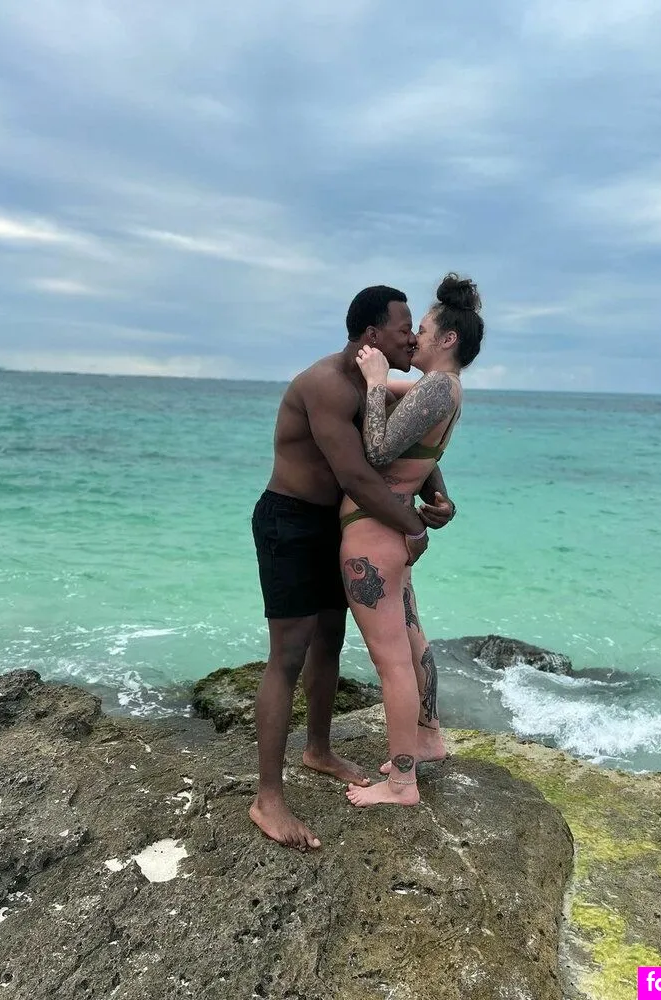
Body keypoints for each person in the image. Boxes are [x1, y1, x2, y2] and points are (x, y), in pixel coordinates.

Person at [250, 285, 457, 850]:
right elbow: (359, 475)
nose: (411, 338)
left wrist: (436, 496)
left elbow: (407, 444)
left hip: (333, 524)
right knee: (288, 655)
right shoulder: (325, 385)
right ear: (371, 334)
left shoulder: (374, 384)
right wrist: (413, 527)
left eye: (415, 329)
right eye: (403, 329)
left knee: (330, 642)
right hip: (291, 521)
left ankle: (317, 750)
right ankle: (268, 799)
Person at [340, 273, 484, 808]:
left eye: (422, 330)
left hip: (374, 536)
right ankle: (427, 739)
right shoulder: (441, 389)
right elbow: (397, 410)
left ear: (447, 339)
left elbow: (378, 451)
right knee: (412, 637)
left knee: (392, 660)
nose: (414, 337)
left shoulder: (439, 387)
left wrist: (378, 380)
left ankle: (402, 782)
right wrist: (371, 379)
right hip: (390, 536)